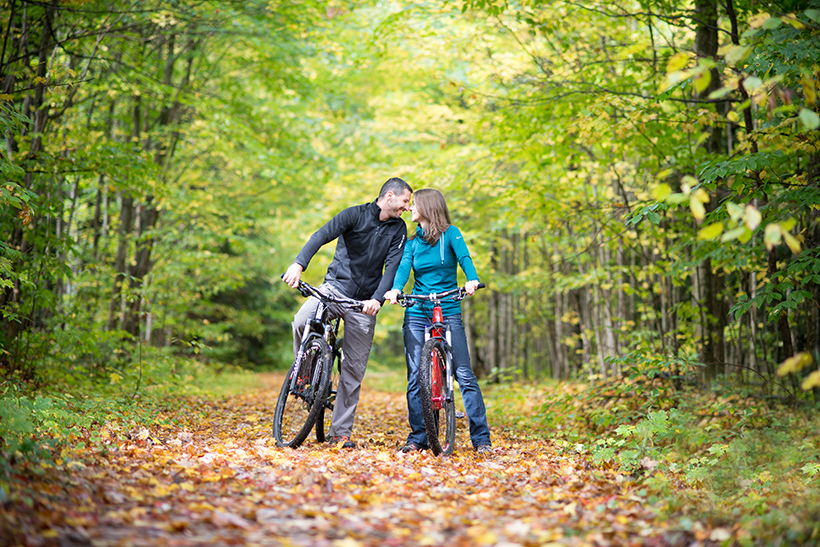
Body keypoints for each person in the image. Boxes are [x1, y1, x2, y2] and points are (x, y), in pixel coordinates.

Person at [282, 178, 413, 449]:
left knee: (353, 369)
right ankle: (304, 375)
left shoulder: (399, 229)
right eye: (404, 202)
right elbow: (320, 235)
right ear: (389, 196)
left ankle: (340, 432)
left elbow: (392, 267)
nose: (407, 208)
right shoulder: (354, 214)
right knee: (301, 321)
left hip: (364, 302)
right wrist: (298, 264)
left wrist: (376, 299)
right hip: (334, 287)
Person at [384, 188, 492, 454]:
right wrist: (396, 289)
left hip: (448, 307)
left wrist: (471, 279)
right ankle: (419, 437)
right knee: (416, 377)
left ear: (428, 207)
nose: (410, 208)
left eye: (415, 204)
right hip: (418, 310)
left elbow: (465, 259)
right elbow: (403, 269)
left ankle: (481, 440)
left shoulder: (451, 234)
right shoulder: (412, 243)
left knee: (464, 375)